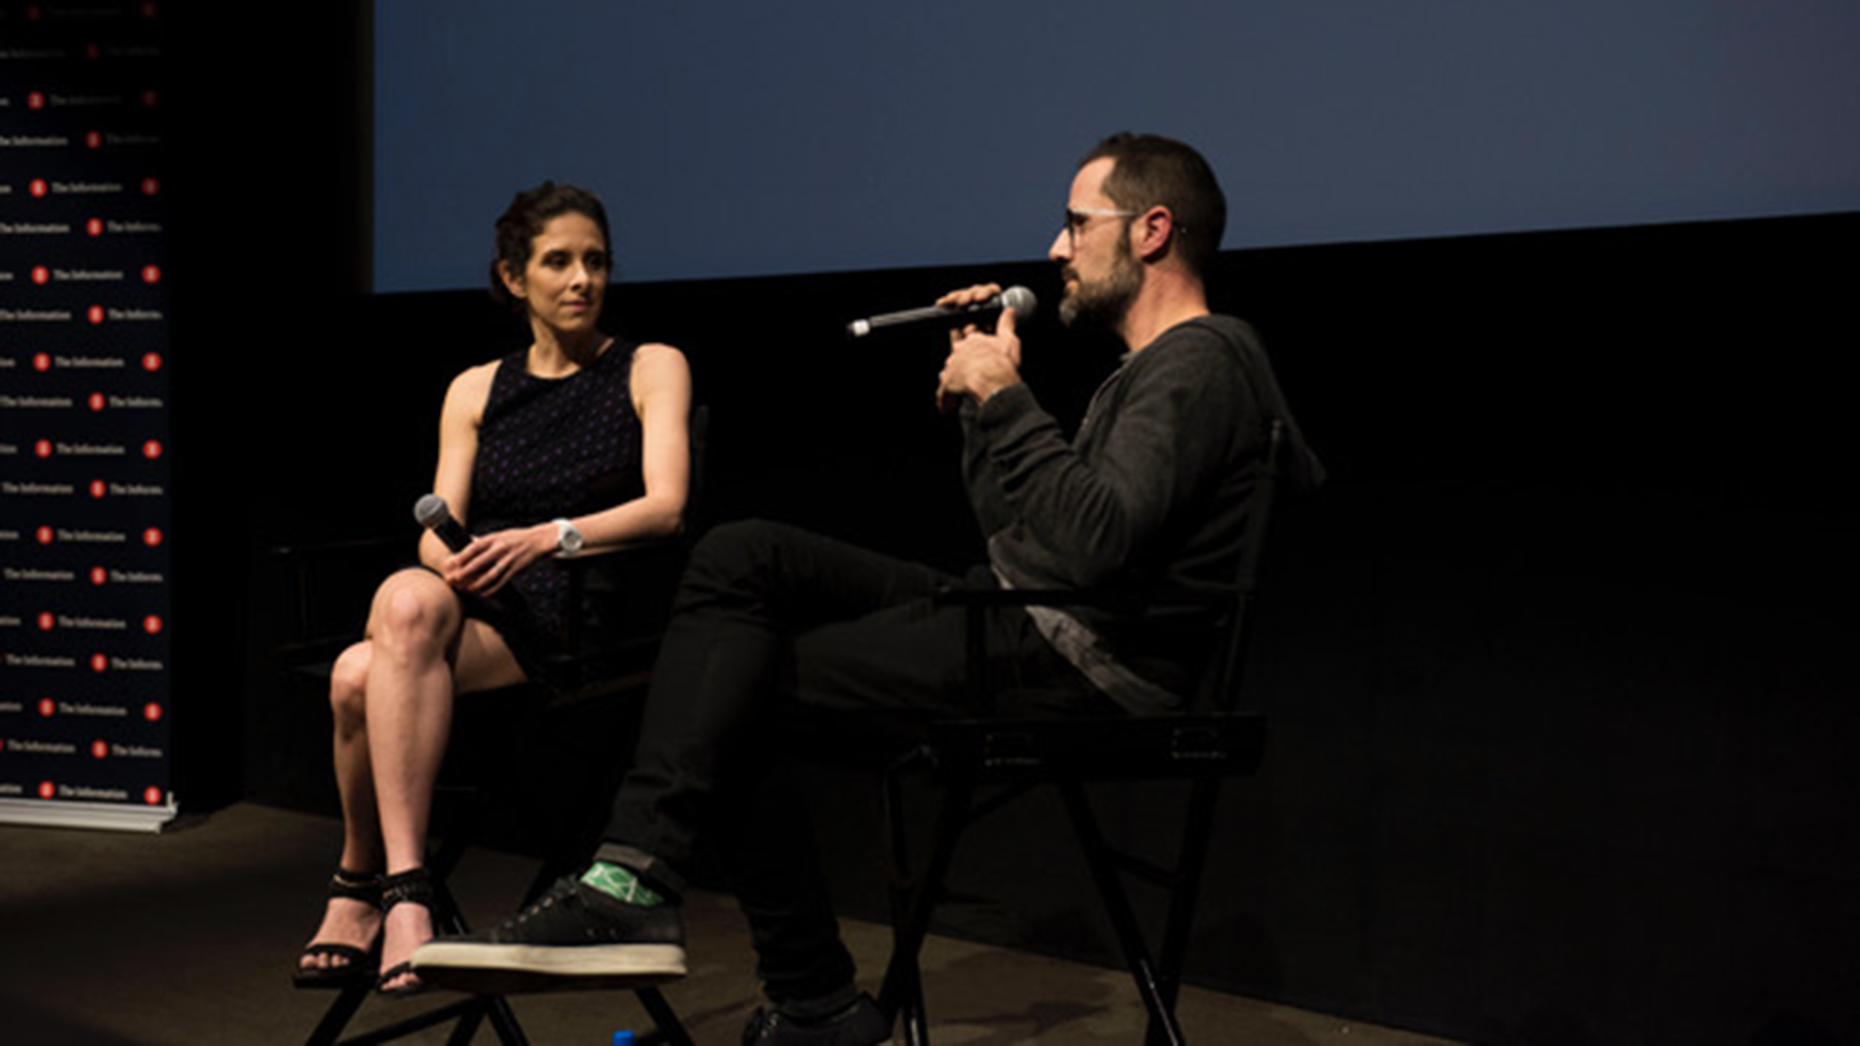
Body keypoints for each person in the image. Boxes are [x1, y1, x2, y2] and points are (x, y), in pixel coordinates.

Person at [413, 134, 1320, 1042]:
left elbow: (1094, 546)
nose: (1056, 249)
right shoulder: (1160, 371)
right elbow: (1026, 536)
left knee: (729, 692)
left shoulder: (1200, 360)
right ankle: (654, 893)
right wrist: (978, 399)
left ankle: (762, 970)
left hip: (1079, 657)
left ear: (1152, 230)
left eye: (1078, 224)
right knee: (744, 555)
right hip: (1021, 611)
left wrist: (1007, 398)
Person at [293, 182, 693, 996]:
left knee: (354, 676)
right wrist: (457, 560)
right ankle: (407, 891)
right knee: (405, 599)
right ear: (514, 279)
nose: (583, 279)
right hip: (480, 604)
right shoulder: (475, 388)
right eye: (559, 262)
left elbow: (666, 508)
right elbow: (435, 525)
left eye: (596, 261)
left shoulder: (651, 366)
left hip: (577, 614)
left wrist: (547, 537)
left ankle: (364, 885)